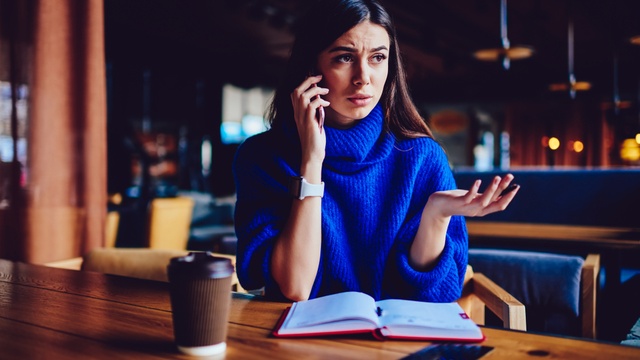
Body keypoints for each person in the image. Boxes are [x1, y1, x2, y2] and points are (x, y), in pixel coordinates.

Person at [233, 0, 519, 302]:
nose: (364, 77)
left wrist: (435, 215)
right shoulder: (262, 157)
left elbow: (435, 295)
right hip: (298, 345)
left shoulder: (422, 157)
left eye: (378, 57)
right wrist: (312, 160)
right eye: (344, 57)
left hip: (395, 344)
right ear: (310, 67)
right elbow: (295, 288)